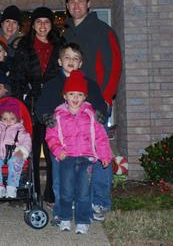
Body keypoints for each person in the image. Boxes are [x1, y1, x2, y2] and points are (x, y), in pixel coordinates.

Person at [62, 0, 122, 219]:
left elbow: (114, 67)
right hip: (71, 106)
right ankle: (79, 199)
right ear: (67, 7)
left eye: (80, 1)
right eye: (71, 2)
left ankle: (100, 201)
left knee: (99, 153)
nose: (76, 5)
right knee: (76, 154)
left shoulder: (103, 31)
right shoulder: (66, 35)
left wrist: (105, 98)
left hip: (96, 102)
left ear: (88, 4)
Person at [35, 42, 108, 225]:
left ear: (81, 63)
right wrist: (45, 117)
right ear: (60, 61)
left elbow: (100, 105)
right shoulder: (52, 85)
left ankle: (97, 203)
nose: (71, 61)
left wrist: (100, 113)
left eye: (76, 58)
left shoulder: (90, 84)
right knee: (60, 177)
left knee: (90, 174)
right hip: (62, 142)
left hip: (85, 143)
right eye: (67, 57)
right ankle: (61, 209)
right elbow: (41, 107)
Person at [45, 70, 112, 234]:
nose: (75, 98)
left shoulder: (91, 115)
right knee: (65, 191)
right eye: (72, 94)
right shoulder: (58, 116)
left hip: (87, 159)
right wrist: (58, 150)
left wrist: (104, 155)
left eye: (80, 94)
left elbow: (101, 137)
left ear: (85, 97)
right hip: (66, 158)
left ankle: (83, 220)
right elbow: (51, 136)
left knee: (84, 192)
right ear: (65, 95)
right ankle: (65, 217)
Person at [10, 6, 62, 202]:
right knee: (29, 149)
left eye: (46, 21)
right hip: (31, 104)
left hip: (54, 105)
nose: (42, 25)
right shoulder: (24, 47)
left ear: (51, 24)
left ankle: (51, 193)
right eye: (38, 21)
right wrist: (20, 101)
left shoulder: (59, 46)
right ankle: (31, 192)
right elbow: (16, 78)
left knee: (52, 151)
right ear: (33, 25)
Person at [0, 97, 31, 199]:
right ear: (0, 119)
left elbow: (27, 142)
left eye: (12, 119)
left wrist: (22, 151)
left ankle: (11, 187)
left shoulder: (21, 131)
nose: (8, 122)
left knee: (16, 161)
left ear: (17, 119)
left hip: (15, 156)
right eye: (5, 119)